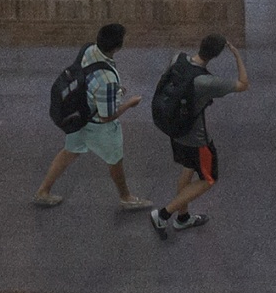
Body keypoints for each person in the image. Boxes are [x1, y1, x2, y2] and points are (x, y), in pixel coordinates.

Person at [30, 21, 147, 211]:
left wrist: (114, 91)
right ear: (117, 47)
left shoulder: (89, 49)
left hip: (78, 115)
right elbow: (106, 116)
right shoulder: (107, 80)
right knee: (115, 159)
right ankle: (126, 197)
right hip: (97, 126)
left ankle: (43, 191)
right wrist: (129, 104)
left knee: (69, 151)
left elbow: (90, 80)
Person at [151, 32, 248, 233]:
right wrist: (238, 55)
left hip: (175, 130)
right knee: (208, 179)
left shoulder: (177, 58)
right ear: (217, 55)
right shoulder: (205, 82)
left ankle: (183, 218)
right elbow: (242, 84)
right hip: (196, 139)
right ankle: (163, 214)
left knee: (187, 169)